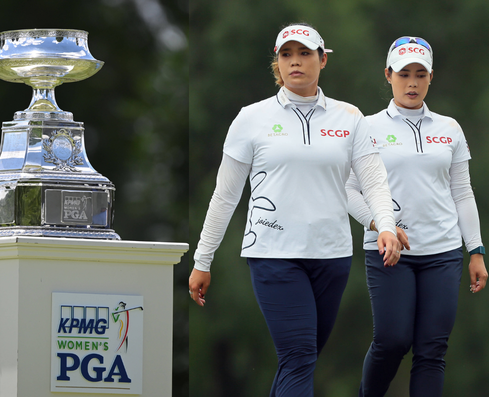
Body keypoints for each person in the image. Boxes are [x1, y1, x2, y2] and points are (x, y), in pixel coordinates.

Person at [188, 23, 401, 396]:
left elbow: (374, 181)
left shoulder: (350, 118)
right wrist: (203, 259)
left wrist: (385, 225)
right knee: (299, 355)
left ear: (322, 60)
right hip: (273, 254)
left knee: (299, 361)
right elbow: (225, 196)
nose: (295, 62)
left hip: (332, 256)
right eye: (286, 55)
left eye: (304, 54)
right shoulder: (250, 118)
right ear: (277, 63)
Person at [346, 36, 488, 397]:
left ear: (431, 77)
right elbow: (346, 191)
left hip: (442, 253)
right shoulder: (367, 127)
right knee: (393, 340)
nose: (412, 82)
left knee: (431, 351)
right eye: (404, 73)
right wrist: (382, 226)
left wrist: (476, 249)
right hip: (390, 252)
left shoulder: (450, 128)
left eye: (420, 74)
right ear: (388, 75)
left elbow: (462, 192)